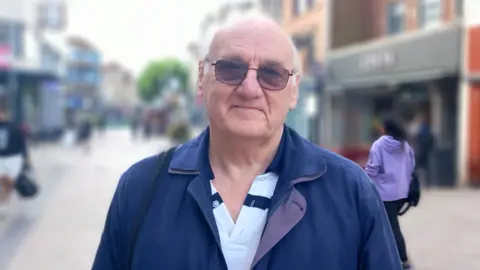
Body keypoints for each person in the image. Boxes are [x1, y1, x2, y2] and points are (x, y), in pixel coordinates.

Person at [92, 15, 402, 270]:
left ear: (293, 91)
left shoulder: (351, 191)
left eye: (272, 74)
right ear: (202, 76)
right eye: (231, 68)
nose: (250, 88)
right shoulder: (140, 188)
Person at [365, 117, 415, 270]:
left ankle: (402, 258)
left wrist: (364, 181)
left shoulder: (379, 145)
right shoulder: (405, 146)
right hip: (401, 193)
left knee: (390, 226)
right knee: (388, 224)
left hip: (384, 194)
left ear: (384, 129)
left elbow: (372, 169)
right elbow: (411, 167)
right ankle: (391, 257)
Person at [0, 106, 29, 215]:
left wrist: (26, 158)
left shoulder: (13, 127)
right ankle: (3, 201)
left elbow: (23, 143)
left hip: (13, 157)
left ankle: (4, 201)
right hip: (1, 157)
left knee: (10, 181)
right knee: (3, 179)